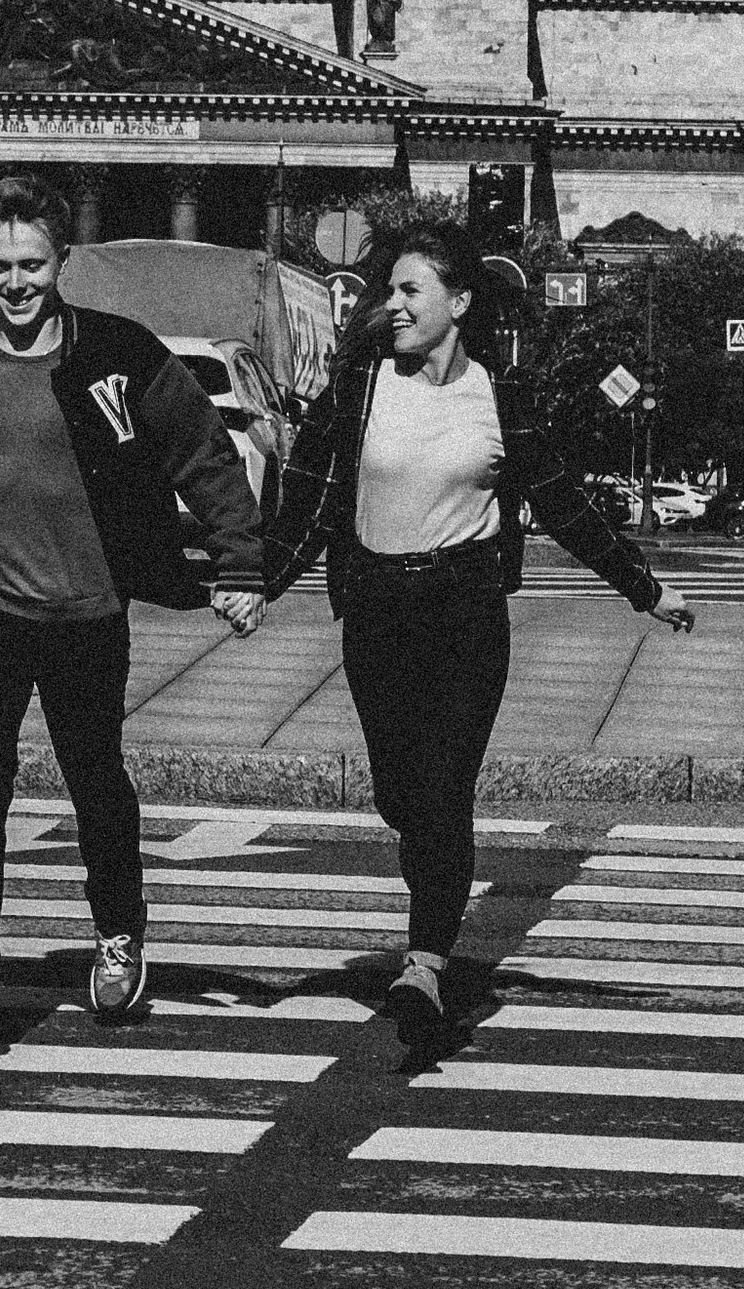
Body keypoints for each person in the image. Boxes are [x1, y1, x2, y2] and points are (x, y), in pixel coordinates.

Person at [0, 174, 264, 1065]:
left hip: (87, 614)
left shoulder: (117, 353)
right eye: (0, 267)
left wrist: (240, 562)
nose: (16, 283)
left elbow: (202, 451)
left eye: (31, 265)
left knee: (95, 781)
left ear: (60, 261)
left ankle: (118, 938)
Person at [265, 219, 690, 1056]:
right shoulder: (359, 387)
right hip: (377, 612)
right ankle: (429, 905)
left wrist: (643, 588)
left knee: (444, 788)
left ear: (458, 303)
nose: (394, 305)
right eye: (390, 291)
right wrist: (256, 583)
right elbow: (307, 500)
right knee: (401, 793)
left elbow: (564, 504)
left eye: (410, 290)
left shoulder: (499, 396)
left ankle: (425, 966)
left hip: (464, 614)